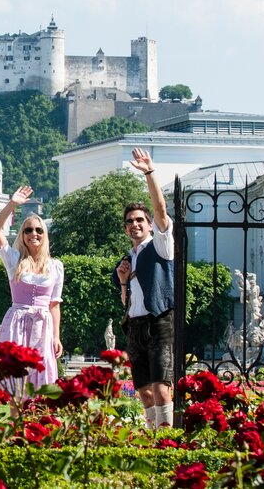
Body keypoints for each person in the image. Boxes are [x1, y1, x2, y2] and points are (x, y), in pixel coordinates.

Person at [112, 148, 175, 430]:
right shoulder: (127, 259)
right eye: (130, 222)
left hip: (159, 320)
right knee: (144, 392)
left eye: (140, 220)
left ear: (149, 225)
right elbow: (127, 299)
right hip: (135, 325)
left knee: (162, 388)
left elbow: (161, 210)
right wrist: (124, 282)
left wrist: (150, 173)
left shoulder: (160, 245)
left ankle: (166, 439)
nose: (135, 224)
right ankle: (152, 438)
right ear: (125, 229)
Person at [0, 185, 64, 389]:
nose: (34, 233)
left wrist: (57, 337)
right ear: (22, 234)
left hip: (43, 325)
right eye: (28, 230)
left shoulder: (55, 266)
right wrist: (12, 205)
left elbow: (54, 304)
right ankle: (16, 421)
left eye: (39, 230)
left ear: (44, 234)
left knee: (41, 384)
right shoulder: (14, 259)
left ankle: (36, 421)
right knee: (17, 383)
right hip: (17, 323)